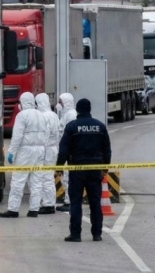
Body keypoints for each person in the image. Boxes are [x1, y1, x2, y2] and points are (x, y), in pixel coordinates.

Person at [57, 98, 112, 243]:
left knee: (75, 202)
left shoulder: (72, 127)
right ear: (89, 109)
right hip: (95, 170)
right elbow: (107, 150)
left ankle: (75, 234)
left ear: (78, 109)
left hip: (77, 170)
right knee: (95, 202)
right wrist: (105, 168)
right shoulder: (100, 126)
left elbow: (63, 150)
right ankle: (97, 234)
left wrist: (59, 167)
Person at [0, 92, 48, 218]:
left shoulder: (22, 115)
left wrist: (11, 152)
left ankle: (13, 210)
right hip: (40, 151)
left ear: (22, 102)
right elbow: (46, 135)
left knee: (18, 181)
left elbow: (17, 136)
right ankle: (34, 210)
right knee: (36, 181)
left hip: (25, 151)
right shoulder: (41, 115)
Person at [36, 93, 60, 215]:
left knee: (46, 178)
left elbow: (44, 136)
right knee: (48, 177)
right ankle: (49, 202)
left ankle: (49, 204)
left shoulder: (43, 116)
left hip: (46, 150)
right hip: (53, 148)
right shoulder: (54, 115)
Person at [56, 93, 77, 212]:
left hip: (69, 151)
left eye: (61, 101)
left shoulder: (71, 115)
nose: (59, 104)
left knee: (68, 177)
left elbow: (68, 134)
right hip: (64, 149)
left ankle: (69, 202)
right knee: (65, 177)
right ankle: (67, 200)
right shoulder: (65, 115)